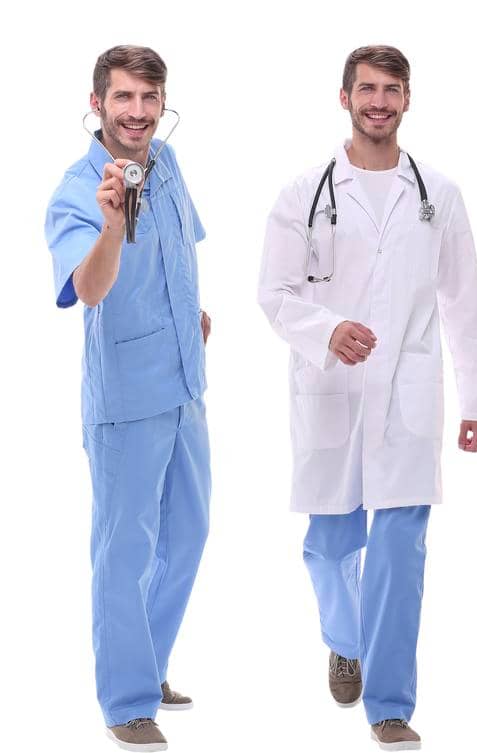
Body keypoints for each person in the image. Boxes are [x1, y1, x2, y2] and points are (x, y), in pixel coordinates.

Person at [258, 44, 477, 752]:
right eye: (367, 89)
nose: (379, 101)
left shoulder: (438, 194)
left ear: (407, 99)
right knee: (330, 548)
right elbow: (273, 293)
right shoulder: (303, 191)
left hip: (409, 394)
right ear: (345, 98)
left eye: (392, 89)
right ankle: (345, 639)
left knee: (399, 554)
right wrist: (327, 331)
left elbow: (465, 299)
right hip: (329, 385)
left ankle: (390, 705)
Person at [46, 44, 212, 753]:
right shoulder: (76, 191)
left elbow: (183, 246)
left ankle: (149, 663)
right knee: (124, 551)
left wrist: (192, 312)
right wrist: (112, 224)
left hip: (184, 383)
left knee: (189, 534)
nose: (138, 112)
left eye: (149, 98)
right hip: (127, 400)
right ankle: (126, 699)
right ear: (97, 104)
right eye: (123, 99)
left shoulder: (166, 165)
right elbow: (88, 288)